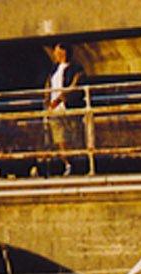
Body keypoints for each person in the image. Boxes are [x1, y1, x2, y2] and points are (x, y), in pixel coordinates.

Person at [44, 42, 84, 175]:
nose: (55, 54)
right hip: (55, 110)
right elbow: (48, 86)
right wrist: (47, 102)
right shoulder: (54, 69)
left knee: (73, 137)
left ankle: (78, 165)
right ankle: (67, 163)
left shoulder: (76, 68)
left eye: (57, 51)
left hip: (69, 107)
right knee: (59, 138)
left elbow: (75, 86)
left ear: (63, 52)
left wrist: (61, 98)